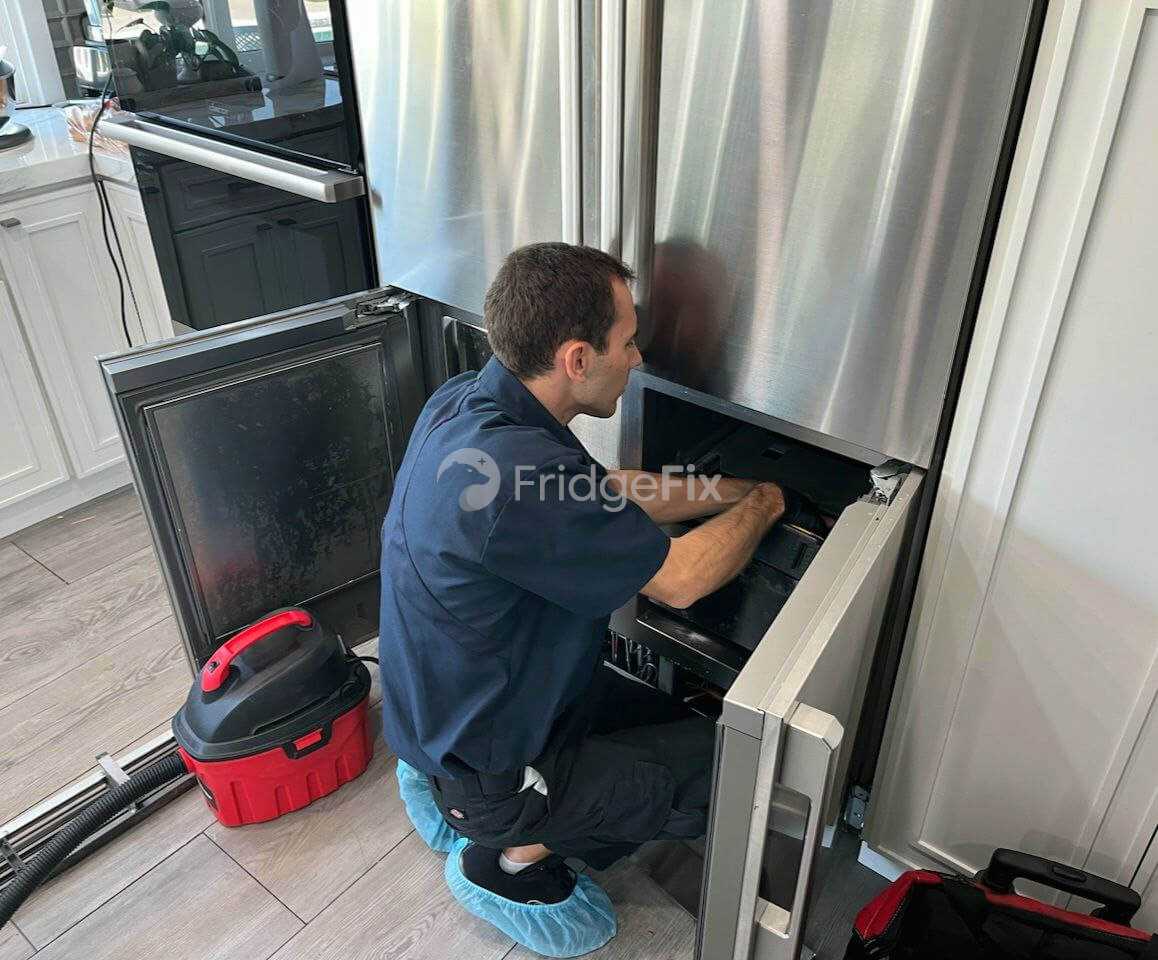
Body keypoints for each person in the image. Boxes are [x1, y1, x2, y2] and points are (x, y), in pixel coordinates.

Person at [378, 242, 785, 957]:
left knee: (679, 735)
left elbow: (600, 494)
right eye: (627, 344)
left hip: (451, 712)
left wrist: (729, 492)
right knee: (729, 776)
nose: (637, 360)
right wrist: (768, 508)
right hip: (493, 768)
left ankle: (484, 806)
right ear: (576, 358)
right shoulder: (517, 478)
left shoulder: (470, 410)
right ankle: (509, 857)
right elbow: (682, 579)